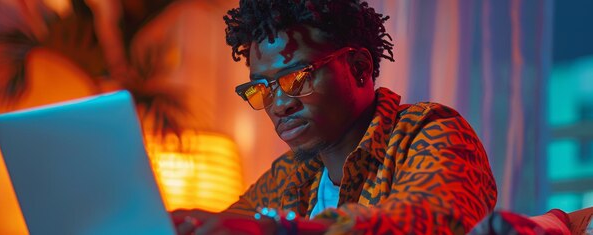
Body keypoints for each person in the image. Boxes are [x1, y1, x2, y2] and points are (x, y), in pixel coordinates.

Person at [171, 0, 497, 234]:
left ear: (359, 68)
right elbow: (232, 223)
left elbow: (432, 220)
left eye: (297, 77)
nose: (279, 104)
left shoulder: (429, 131)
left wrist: (276, 228)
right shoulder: (292, 172)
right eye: (261, 88)